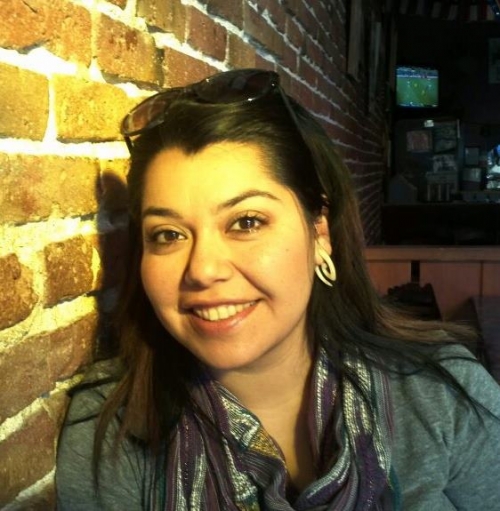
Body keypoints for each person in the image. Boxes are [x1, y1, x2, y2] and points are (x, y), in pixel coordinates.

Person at [56, 68, 500, 510]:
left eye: (246, 222)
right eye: (168, 234)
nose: (203, 270)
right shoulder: (110, 431)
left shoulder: (442, 393)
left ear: (319, 233)